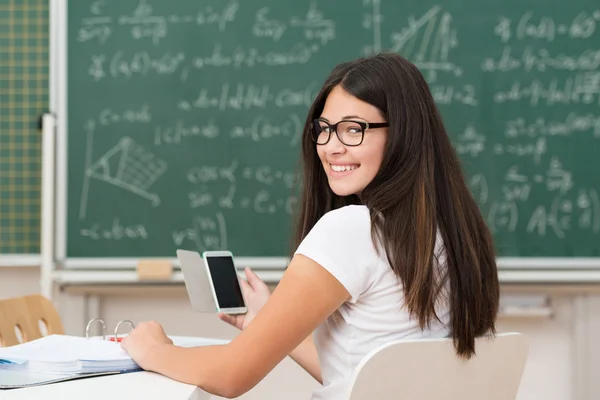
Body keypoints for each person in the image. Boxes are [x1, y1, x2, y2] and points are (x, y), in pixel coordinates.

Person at [121, 53, 500, 399]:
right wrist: (265, 324)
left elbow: (230, 375)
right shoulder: (452, 236)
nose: (331, 147)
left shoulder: (352, 230)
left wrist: (156, 350)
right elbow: (363, 377)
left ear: (403, 134)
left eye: (354, 129)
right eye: (324, 128)